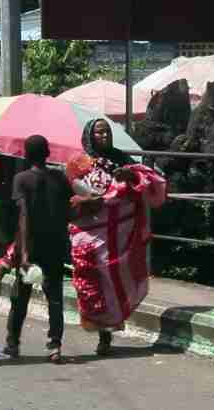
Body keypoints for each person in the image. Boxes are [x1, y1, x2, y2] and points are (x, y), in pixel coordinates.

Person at [65, 119, 166, 354]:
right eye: (99, 132)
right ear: (90, 135)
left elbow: (142, 182)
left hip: (119, 233)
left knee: (114, 282)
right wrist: (88, 200)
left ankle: (107, 335)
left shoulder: (121, 159)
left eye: (107, 131)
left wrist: (128, 177)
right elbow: (70, 191)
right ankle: (100, 330)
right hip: (89, 232)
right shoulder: (77, 162)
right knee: (93, 281)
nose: (104, 136)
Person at [0, 135, 72, 363]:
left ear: (26, 155)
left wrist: (24, 252)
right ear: (48, 153)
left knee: (20, 298)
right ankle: (54, 345)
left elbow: (24, 215)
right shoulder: (59, 178)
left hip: (32, 245)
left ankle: (12, 344)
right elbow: (69, 208)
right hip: (56, 244)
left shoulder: (22, 179)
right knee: (55, 297)